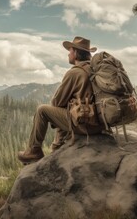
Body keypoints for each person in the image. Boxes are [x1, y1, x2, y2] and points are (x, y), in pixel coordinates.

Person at [17, 36, 104, 164]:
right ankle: (58, 147)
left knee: (42, 110)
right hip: (99, 124)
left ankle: (34, 150)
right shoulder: (95, 70)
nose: (68, 54)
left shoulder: (75, 72)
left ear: (75, 53)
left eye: (70, 51)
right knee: (66, 110)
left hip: (85, 124)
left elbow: (56, 103)